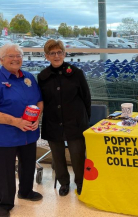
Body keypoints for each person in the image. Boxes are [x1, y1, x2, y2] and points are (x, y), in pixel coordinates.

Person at [0, 43, 43, 217]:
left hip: (28, 133)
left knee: (28, 165)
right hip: (2, 137)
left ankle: (26, 191)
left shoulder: (28, 77)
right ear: (1, 60)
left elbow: (39, 101)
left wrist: (37, 117)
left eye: (18, 56)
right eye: (10, 56)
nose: (15, 59)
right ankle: (5, 204)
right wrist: (15, 122)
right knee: (4, 171)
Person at [37, 39, 91, 197]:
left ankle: (80, 183)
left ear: (64, 54)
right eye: (52, 53)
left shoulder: (76, 73)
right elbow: (42, 100)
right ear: (46, 56)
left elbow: (86, 98)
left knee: (77, 155)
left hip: (75, 122)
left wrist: (84, 120)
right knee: (58, 156)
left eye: (59, 52)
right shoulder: (43, 76)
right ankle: (64, 183)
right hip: (53, 122)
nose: (56, 55)